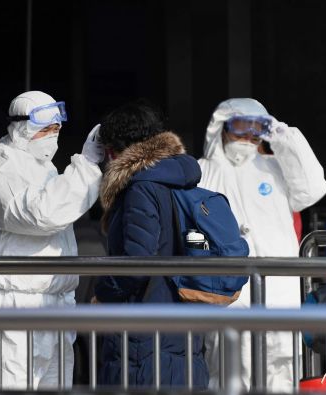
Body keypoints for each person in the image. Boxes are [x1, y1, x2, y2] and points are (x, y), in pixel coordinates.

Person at [0, 91, 104, 389]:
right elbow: (40, 214)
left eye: (56, 129)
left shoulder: (40, 167)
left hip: (52, 304)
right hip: (16, 310)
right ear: (18, 126)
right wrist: (86, 166)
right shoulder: (0, 169)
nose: (51, 136)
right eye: (44, 129)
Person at [198, 98, 326, 391]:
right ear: (222, 126)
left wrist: (281, 135)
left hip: (279, 300)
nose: (247, 136)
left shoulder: (275, 168)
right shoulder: (202, 172)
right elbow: (189, 234)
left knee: (281, 380)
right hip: (229, 302)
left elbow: (314, 188)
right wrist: (205, 257)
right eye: (240, 126)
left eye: (257, 128)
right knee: (230, 380)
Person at [93, 100, 209, 388]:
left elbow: (138, 261)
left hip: (144, 329)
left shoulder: (141, 187)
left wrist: (103, 293)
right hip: (180, 320)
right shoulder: (177, 178)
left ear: (111, 151)